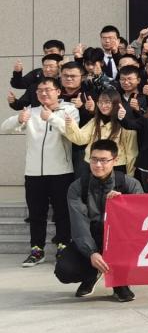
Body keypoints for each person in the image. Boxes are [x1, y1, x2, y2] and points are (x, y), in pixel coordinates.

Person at [1, 78, 79, 266]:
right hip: (34, 173)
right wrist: (18, 119)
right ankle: (37, 250)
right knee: (36, 214)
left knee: (62, 212)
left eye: (48, 89)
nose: (44, 93)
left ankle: (63, 246)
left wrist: (51, 117)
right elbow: (4, 128)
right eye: (40, 90)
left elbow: (73, 133)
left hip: (61, 172)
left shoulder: (69, 110)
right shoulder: (31, 111)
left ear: (58, 92)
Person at [55, 139, 144, 302]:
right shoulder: (77, 187)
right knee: (65, 270)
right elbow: (79, 224)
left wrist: (124, 204)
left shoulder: (130, 185)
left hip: (120, 239)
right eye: (94, 159)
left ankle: (119, 282)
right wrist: (91, 253)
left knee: (130, 247)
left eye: (103, 160)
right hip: (92, 235)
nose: (97, 165)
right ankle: (91, 275)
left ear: (115, 160)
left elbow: (140, 219)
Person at [61, 89, 139, 175]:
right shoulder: (95, 121)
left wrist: (130, 175)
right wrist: (71, 125)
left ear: (116, 103)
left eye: (107, 102)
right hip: (94, 166)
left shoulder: (126, 124)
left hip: (116, 168)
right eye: (100, 102)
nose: (103, 106)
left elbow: (132, 153)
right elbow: (80, 139)